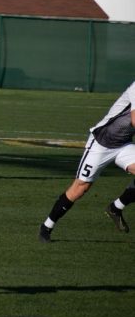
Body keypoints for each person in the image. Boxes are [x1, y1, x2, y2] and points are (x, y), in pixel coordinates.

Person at [39, 81, 135, 242]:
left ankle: (116, 208)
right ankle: (46, 226)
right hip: (101, 143)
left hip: (123, 144)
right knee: (80, 188)